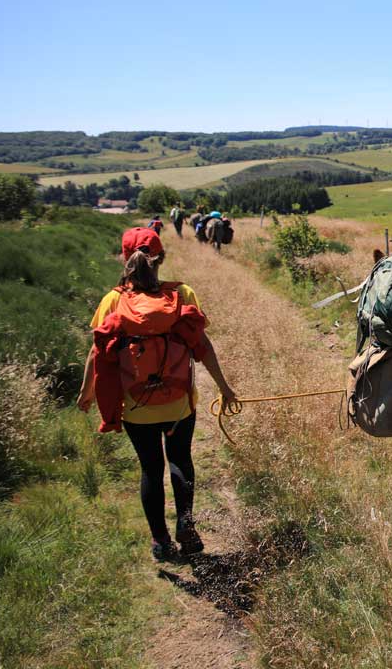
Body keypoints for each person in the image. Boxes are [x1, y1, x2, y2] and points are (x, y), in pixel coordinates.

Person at [77, 227, 238, 561]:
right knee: (180, 459)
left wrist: (86, 394)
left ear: (125, 259)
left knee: (151, 468)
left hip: (136, 406)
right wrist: (224, 387)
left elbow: (97, 353)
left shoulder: (113, 301)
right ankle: (186, 524)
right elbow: (202, 346)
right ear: (161, 258)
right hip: (178, 403)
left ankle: (161, 542)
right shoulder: (182, 295)